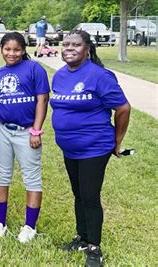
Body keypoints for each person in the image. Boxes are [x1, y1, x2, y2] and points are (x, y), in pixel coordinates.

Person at [50, 30, 131, 267]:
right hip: (69, 148)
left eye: (75, 45)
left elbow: (123, 108)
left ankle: (94, 248)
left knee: (90, 196)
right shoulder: (60, 76)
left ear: (87, 49)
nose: (69, 49)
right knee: (78, 194)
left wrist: (117, 142)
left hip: (94, 148)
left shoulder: (99, 76)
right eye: (66, 44)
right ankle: (82, 237)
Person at [0, 31, 50, 243]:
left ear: (23, 50)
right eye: (7, 49)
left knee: (31, 177)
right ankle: (0, 223)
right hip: (3, 130)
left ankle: (29, 226)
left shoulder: (34, 68)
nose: (12, 53)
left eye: (16, 49)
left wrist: (36, 130)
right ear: (1, 50)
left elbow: (42, 100)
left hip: (26, 131)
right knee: (1, 176)